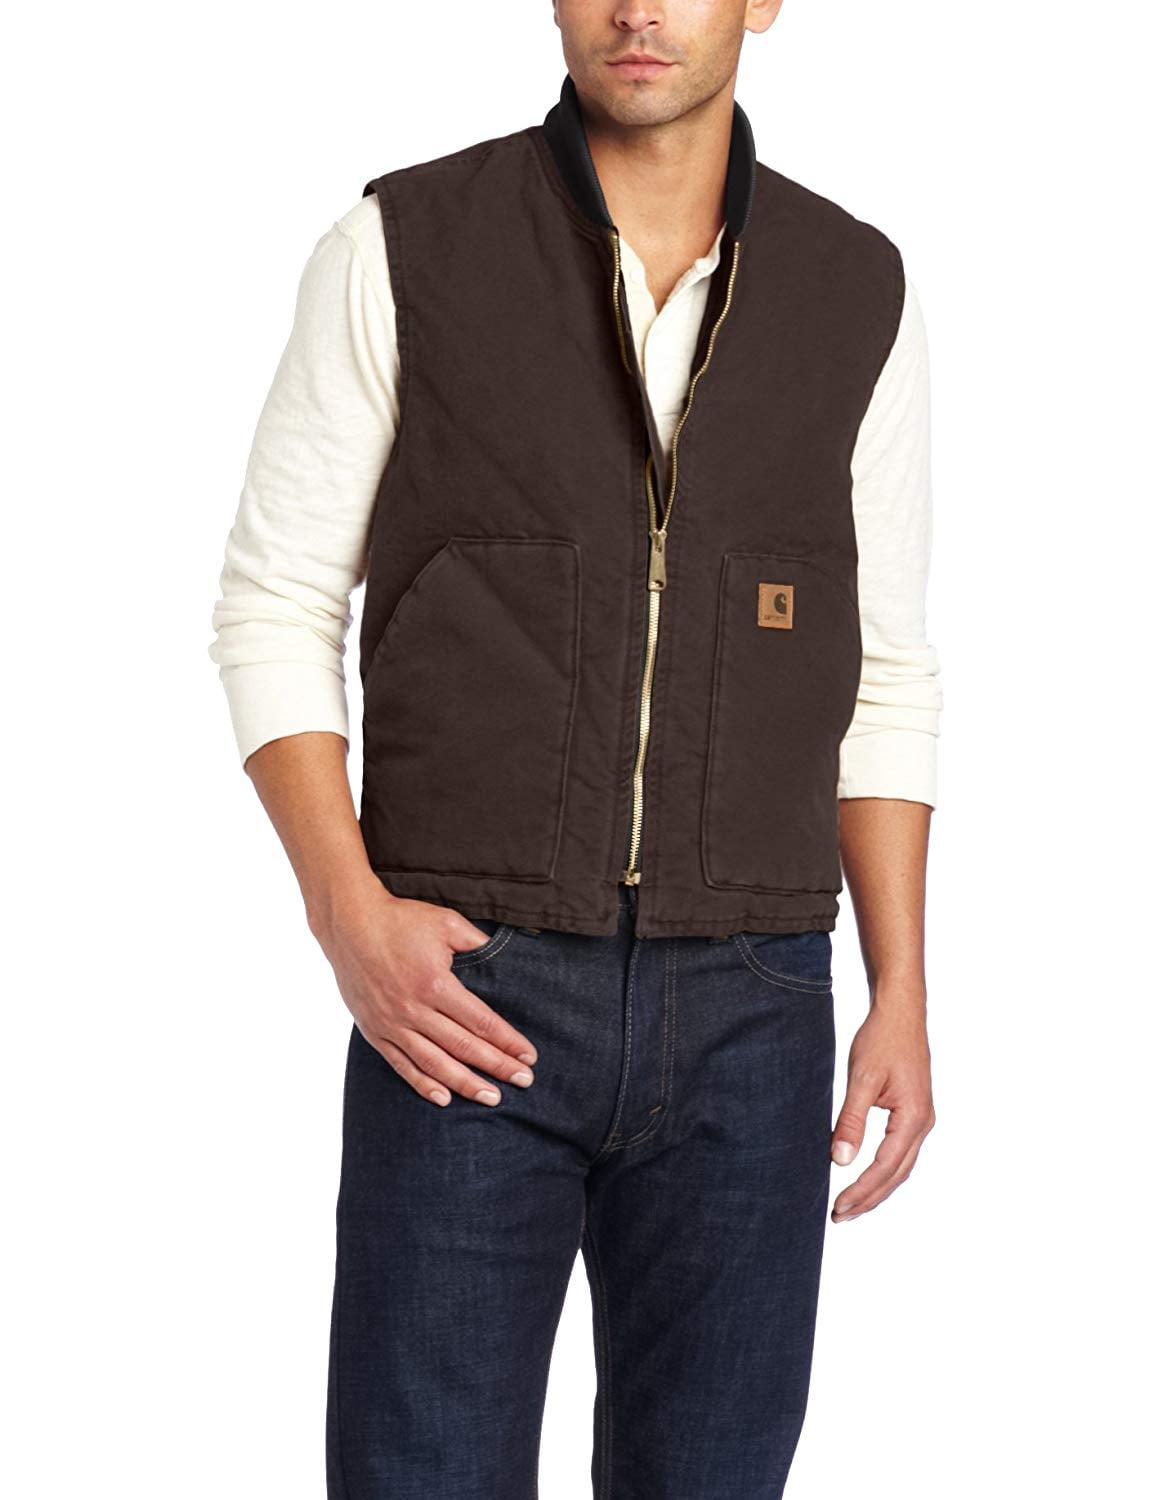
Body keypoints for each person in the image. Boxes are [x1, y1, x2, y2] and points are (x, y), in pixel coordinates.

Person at [208, 2, 942, 1495]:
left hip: (753, 1001)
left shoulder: (853, 285)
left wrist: (901, 988)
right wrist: (349, 917)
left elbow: (882, 667)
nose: (637, 10)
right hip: (467, 987)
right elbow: (274, 605)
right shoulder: (403, 244)